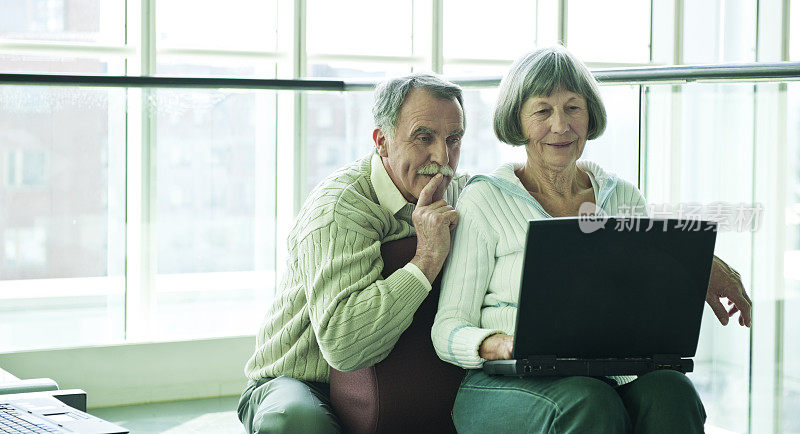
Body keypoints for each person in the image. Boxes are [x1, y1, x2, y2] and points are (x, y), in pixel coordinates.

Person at [431, 46, 753, 433]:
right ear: (518, 119)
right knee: (589, 400)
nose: (561, 126)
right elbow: (447, 329)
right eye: (542, 111)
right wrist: (502, 343)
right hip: (504, 385)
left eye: (573, 108)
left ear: (590, 115)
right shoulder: (486, 200)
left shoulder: (622, 198)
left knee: (672, 390)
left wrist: (699, 266)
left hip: (601, 378)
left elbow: (650, 292)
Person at [238, 73, 469, 433]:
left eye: (453, 140)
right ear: (383, 142)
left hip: (402, 381)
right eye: (424, 137)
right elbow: (345, 345)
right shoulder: (339, 209)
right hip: (301, 381)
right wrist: (425, 259)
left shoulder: (459, 193)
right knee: (296, 422)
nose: (442, 157)